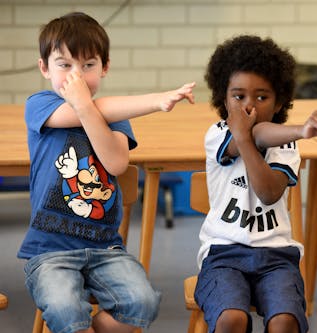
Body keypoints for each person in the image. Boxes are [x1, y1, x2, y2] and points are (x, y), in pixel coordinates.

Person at [18, 12, 195, 333]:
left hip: (105, 249)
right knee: (63, 308)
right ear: (44, 68)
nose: (77, 77)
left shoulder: (116, 118)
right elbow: (81, 108)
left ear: (105, 66)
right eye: (64, 65)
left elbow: (115, 164)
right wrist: (154, 100)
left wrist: (87, 106)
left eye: (88, 66)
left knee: (143, 302)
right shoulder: (40, 105)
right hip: (50, 251)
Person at [194, 34, 317, 333]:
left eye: (261, 97)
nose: (249, 107)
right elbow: (254, 135)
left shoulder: (285, 146)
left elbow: (269, 191)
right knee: (231, 318)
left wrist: (294, 134)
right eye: (239, 97)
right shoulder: (217, 134)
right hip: (223, 254)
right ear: (223, 99)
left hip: (277, 258)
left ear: (279, 102)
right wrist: (299, 130)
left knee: (285, 322)